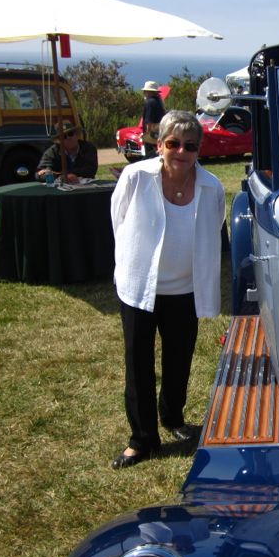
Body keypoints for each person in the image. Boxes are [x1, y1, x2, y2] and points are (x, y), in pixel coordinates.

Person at [109, 110, 226, 469]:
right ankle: (142, 439)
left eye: (190, 146)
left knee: (179, 361)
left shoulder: (212, 187)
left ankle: (173, 418)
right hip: (140, 289)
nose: (181, 152)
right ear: (159, 145)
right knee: (139, 364)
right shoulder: (135, 176)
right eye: (173, 143)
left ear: (198, 150)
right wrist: (131, 265)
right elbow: (119, 219)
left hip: (185, 291)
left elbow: (214, 228)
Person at [141, 80, 166, 159]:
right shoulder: (159, 102)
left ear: (149, 92)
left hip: (152, 134)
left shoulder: (150, 103)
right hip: (159, 132)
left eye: (145, 91)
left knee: (149, 155)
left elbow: (149, 121)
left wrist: (147, 136)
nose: (145, 93)